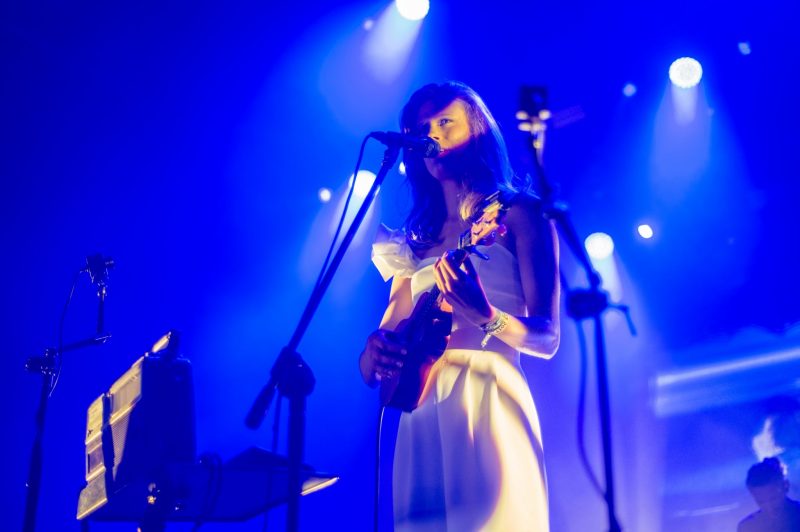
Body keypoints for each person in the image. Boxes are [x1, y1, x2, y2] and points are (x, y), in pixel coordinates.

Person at [359, 81, 560, 531]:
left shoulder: (519, 214)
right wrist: (374, 351)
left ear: (478, 129)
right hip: (420, 409)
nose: (432, 135)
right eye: (421, 129)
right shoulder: (412, 242)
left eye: (445, 122)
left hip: (490, 396)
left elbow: (548, 338)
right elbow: (371, 368)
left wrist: (487, 317)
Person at [738, 457, 800, 532]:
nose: (769, 507)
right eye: (761, 502)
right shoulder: (748, 527)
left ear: (785, 486)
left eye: (773, 499)